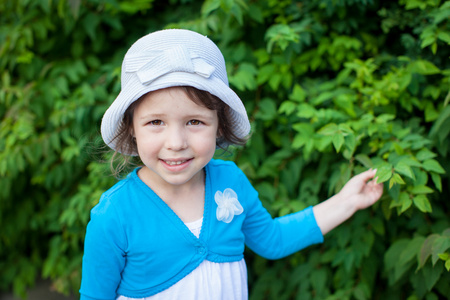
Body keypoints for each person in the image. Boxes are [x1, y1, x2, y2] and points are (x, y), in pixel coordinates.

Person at [79, 29, 383, 300]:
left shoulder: (230, 181)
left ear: (219, 125)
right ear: (131, 127)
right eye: (155, 122)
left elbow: (273, 240)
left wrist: (346, 201)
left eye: (195, 121)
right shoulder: (114, 215)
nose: (176, 142)